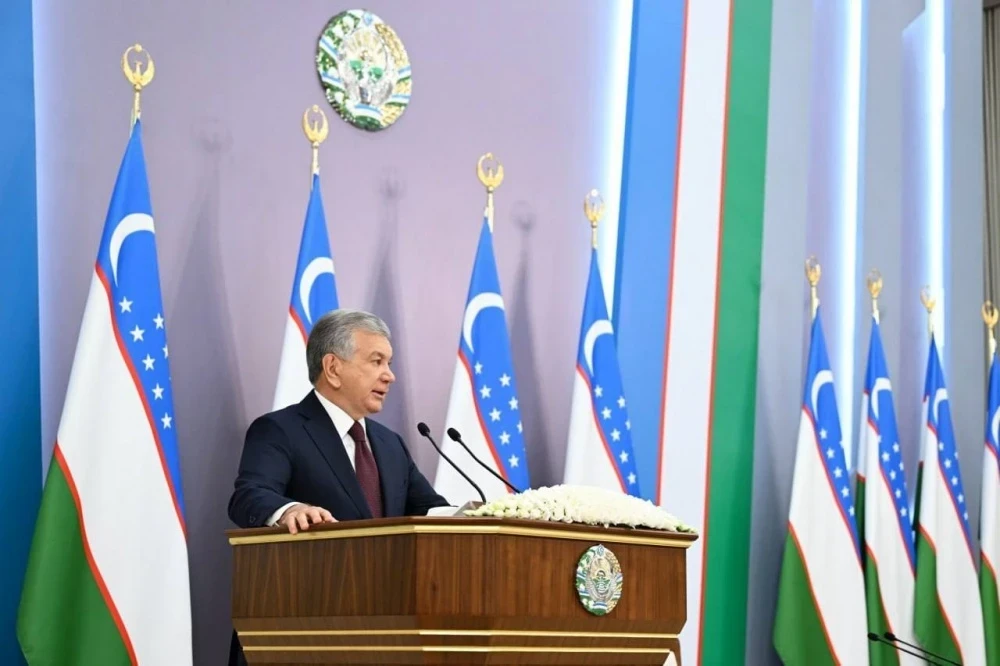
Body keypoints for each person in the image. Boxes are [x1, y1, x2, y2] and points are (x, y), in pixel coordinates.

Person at [228, 308, 450, 532]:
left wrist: (468, 513)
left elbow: (431, 510)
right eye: (376, 361)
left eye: (388, 364)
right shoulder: (280, 430)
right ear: (333, 368)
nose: (389, 376)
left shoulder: (391, 443)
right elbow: (249, 496)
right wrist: (290, 510)